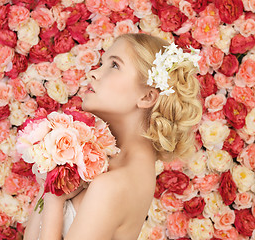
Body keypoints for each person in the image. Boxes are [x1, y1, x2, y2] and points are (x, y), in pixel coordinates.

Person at [23, 33, 203, 240]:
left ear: (146, 96)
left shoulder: (113, 184)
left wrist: (54, 198)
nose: (93, 73)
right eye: (102, 63)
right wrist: (50, 185)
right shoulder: (106, 163)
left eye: (114, 65)